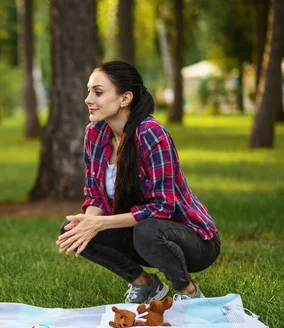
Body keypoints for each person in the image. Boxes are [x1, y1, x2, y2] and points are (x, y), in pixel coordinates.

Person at [56, 61, 221, 304]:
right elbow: (95, 195)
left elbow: (163, 207)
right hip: (142, 236)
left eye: (98, 92)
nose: (88, 99)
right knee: (73, 229)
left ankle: (188, 291)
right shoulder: (95, 133)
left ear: (125, 98)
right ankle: (145, 284)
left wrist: (101, 223)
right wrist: (89, 224)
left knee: (147, 230)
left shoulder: (152, 133)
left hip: (193, 241)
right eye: (89, 91)